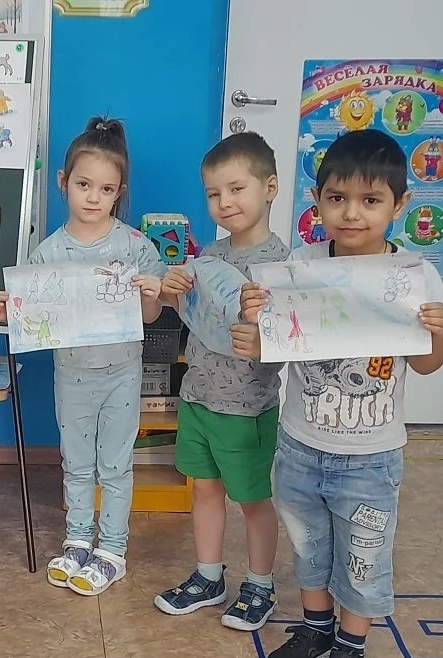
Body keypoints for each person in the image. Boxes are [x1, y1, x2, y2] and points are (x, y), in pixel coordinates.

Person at [235, 129, 443, 658]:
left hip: (371, 455)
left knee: (362, 556)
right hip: (301, 444)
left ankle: (351, 649)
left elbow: (428, 365)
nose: (352, 213)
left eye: (370, 200)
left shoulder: (413, 275)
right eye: (337, 198)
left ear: (399, 204)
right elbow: (272, 348)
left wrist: (435, 334)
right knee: (309, 547)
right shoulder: (299, 266)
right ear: (317, 200)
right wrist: (255, 321)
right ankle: (316, 629)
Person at [0, 116, 165, 595]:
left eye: (106, 190)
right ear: (63, 182)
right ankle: (78, 541)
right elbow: (32, 318)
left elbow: (150, 316)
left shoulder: (135, 247)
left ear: (118, 193)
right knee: (77, 462)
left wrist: (151, 295)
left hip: (122, 371)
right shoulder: (48, 254)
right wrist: (9, 313)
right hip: (72, 374)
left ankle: (113, 550)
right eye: (84, 185)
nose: (93, 197)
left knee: (116, 465)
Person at [154, 133, 288, 631]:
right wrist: (170, 290)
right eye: (214, 193)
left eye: (236, 189)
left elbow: (294, 340)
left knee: (252, 499)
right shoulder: (208, 254)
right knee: (205, 490)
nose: (224, 202)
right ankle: (209, 576)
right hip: (198, 395)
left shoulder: (285, 266)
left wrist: (264, 333)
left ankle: (260, 584)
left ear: (269, 188)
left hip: (247, 406)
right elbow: (192, 313)